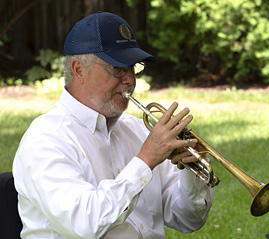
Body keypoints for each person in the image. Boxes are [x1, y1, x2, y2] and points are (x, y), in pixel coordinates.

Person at [12, 12, 214, 239]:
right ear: (79, 70)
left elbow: (187, 220)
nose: (130, 80)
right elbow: (87, 224)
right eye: (118, 68)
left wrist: (190, 171)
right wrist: (145, 160)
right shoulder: (45, 139)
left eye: (132, 67)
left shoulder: (136, 130)